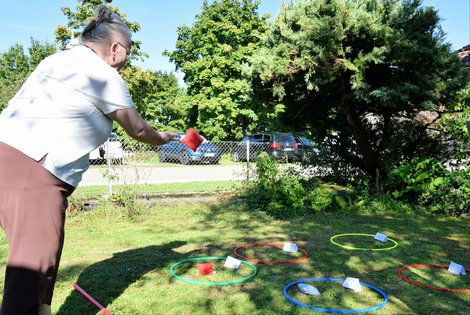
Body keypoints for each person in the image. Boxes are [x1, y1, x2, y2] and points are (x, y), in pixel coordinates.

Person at [0, 5, 179, 315]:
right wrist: (162, 137)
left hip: (9, 156)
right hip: (33, 169)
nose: (126, 60)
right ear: (114, 48)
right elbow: (137, 129)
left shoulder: (58, 60)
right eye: (129, 52)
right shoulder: (102, 75)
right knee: (31, 266)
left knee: (43, 251)